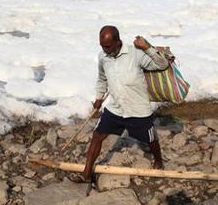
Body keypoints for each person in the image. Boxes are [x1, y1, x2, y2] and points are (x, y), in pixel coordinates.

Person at [71, 25, 169, 183]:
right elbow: (102, 79)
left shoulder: (135, 54)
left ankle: (158, 161)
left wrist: (147, 47)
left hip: (137, 110)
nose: (105, 49)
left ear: (118, 42)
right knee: (97, 136)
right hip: (116, 108)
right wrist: (98, 98)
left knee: (151, 139)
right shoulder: (103, 57)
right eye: (102, 46)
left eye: (108, 46)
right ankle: (87, 174)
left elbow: (162, 65)